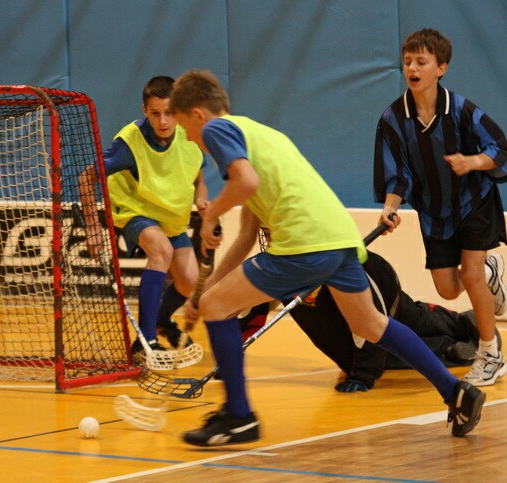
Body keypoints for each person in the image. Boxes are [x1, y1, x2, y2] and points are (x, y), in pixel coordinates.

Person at [169, 69, 485, 447]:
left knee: (216, 307)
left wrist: (211, 214)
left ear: (198, 114)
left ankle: (238, 417)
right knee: (371, 324)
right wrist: (202, 293)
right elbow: (244, 239)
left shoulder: (218, 130)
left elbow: (245, 182)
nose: (188, 138)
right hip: (338, 239)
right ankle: (456, 392)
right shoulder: (260, 136)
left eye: (184, 127)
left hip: (304, 244)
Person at [374, 28, 507, 387]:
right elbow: (396, 174)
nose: (412, 68)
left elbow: (500, 148)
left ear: (441, 68)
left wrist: (472, 162)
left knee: (472, 275)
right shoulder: (392, 118)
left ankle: (490, 354)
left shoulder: (462, 110)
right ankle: (491, 272)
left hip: (473, 201)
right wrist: (390, 207)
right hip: (434, 213)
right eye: (407, 62)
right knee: (448, 288)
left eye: (421, 62)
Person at [78, 76, 208, 362]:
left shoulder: (190, 135)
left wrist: (201, 200)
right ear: (144, 110)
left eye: (169, 113)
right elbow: (86, 178)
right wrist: (92, 228)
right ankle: (144, 341)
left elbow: (199, 179)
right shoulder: (130, 143)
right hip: (135, 208)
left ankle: (161, 321)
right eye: (155, 113)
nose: (163, 121)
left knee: (189, 281)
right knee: (161, 251)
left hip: (170, 214)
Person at [239, 250, 501, 392]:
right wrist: (232, 351)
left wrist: (365, 376)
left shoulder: (328, 259)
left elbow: (370, 320)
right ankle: (449, 349)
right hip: (336, 309)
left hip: (377, 283)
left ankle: (463, 323)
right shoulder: (278, 268)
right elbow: (253, 309)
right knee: (372, 357)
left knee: (411, 320)